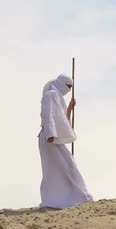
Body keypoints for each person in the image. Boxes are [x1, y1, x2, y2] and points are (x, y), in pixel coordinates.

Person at [38, 73, 93, 208]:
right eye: (68, 86)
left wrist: (69, 108)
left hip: (54, 138)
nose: (69, 89)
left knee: (67, 165)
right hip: (49, 138)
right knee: (58, 168)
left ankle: (74, 196)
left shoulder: (58, 98)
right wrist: (50, 134)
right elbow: (48, 115)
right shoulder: (51, 95)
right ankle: (58, 199)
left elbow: (61, 120)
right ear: (61, 84)